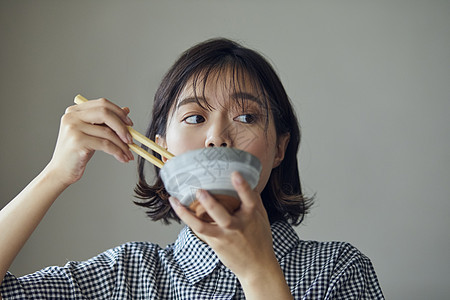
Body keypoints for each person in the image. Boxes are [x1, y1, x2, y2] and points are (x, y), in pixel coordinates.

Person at [0, 38, 384, 299]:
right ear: (161, 144)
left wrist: (260, 273)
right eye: (194, 117)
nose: (216, 137)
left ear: (280, 148)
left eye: (247, 116)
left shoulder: (338, 271)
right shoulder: (128, 276)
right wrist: (54, 175)